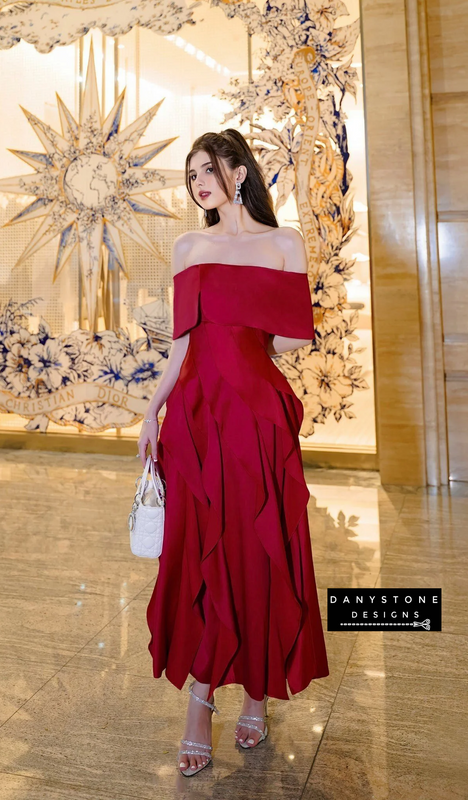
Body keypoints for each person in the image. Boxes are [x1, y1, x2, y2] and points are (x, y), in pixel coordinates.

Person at [138, 128, 329, 778]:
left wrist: (245, 347)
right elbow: (182, 346)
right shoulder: (188, 245)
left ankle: (254, 690)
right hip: (195, 416)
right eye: (190, 173)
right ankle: (199, 701)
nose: (198, 181)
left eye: (208, 168)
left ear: (238, 172)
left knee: (256, 548)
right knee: (197, 551)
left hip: (256, 419)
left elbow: (295, 338)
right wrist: (151, 408)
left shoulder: (283, 244)